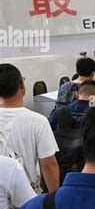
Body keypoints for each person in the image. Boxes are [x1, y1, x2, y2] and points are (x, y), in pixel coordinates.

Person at [0, 64, 59, 192]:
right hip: (27, 195)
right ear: (21, 85)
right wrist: (54, 200)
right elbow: (48, 165)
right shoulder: (38, 121)